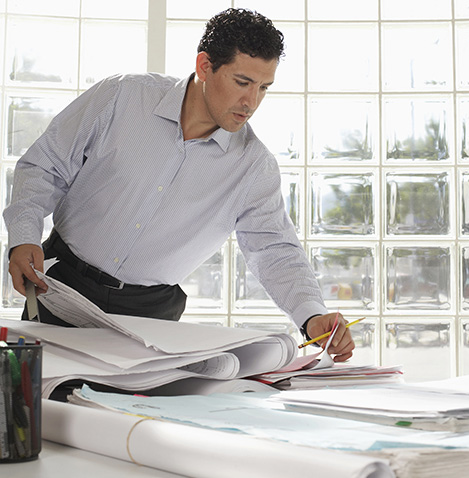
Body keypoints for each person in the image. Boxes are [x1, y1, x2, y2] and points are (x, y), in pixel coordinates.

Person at [3, 8, 355, 361]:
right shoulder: (121, 97)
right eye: (242, 82)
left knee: (134, 400)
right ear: (205, 66)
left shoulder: (254, 167)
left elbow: (274, 249)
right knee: (38, 393)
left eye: (263, 88)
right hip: (61, 286)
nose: (251, 102)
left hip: (150, 314)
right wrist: (23, 236)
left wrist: (311, 316)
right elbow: (44, 166)